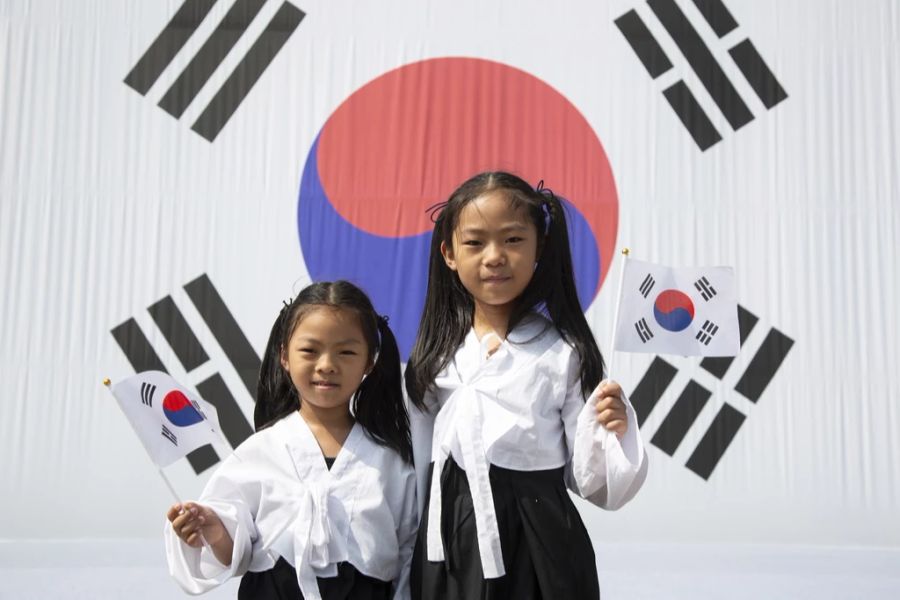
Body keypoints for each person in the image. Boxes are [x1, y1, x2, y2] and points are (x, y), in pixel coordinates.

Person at [405, 171, 649, 599]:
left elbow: (593, 482)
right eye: (475, 242)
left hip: (540, 537)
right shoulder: (434, 356)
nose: (495, 256)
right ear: (448, 253)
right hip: (449, 540)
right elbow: (413, 466)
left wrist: (614, 428)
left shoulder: (563, 352)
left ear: (539, 248)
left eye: (513, 240)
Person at [165, 281, 417, 600]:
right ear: (285, 356)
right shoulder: (258, 452)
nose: (327, 365)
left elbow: (409, 555)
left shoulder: (392, 463)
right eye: (310, 350)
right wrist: (212, 530)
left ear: (369, 361)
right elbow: (233, 550)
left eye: (346, 352)